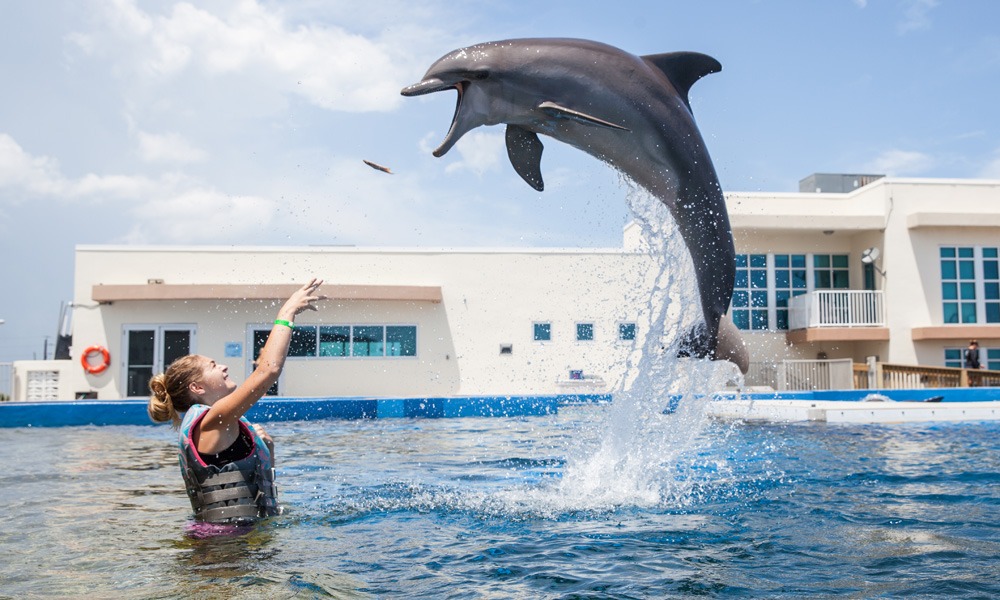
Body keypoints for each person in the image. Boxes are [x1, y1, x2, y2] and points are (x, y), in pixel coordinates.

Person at [148, 279, 324, 525]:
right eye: (213, 365)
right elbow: (268, 371)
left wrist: (267, 450)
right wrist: (288, 311)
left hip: (235, 538)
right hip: (223, 543)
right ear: (197, 387)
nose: (223, 366)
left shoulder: (217, 423)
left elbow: (254, 489)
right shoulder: (212, 421)